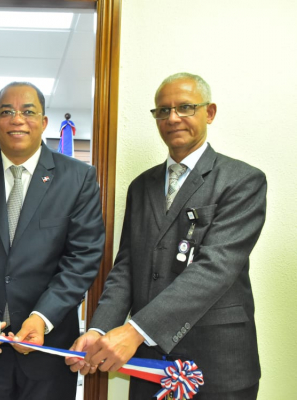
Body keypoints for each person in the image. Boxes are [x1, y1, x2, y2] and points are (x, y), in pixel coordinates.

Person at [66, 72, 266, 399]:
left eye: (185, 107)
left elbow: (215, 268)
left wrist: (133, 331)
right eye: (162, 110)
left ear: (209, 112)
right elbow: (127, 267)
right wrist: (98, 328)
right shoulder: (141, 186)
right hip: (148, 364)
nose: (172, 118)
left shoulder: (242, 181)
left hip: (218, 363)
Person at [0, 82, 106, 400]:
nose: (17, 119)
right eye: (6, 112)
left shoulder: (78, 178)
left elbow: (83, 257)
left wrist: (43, 317)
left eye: (28, 111)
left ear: (43, 122)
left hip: (47, 345)